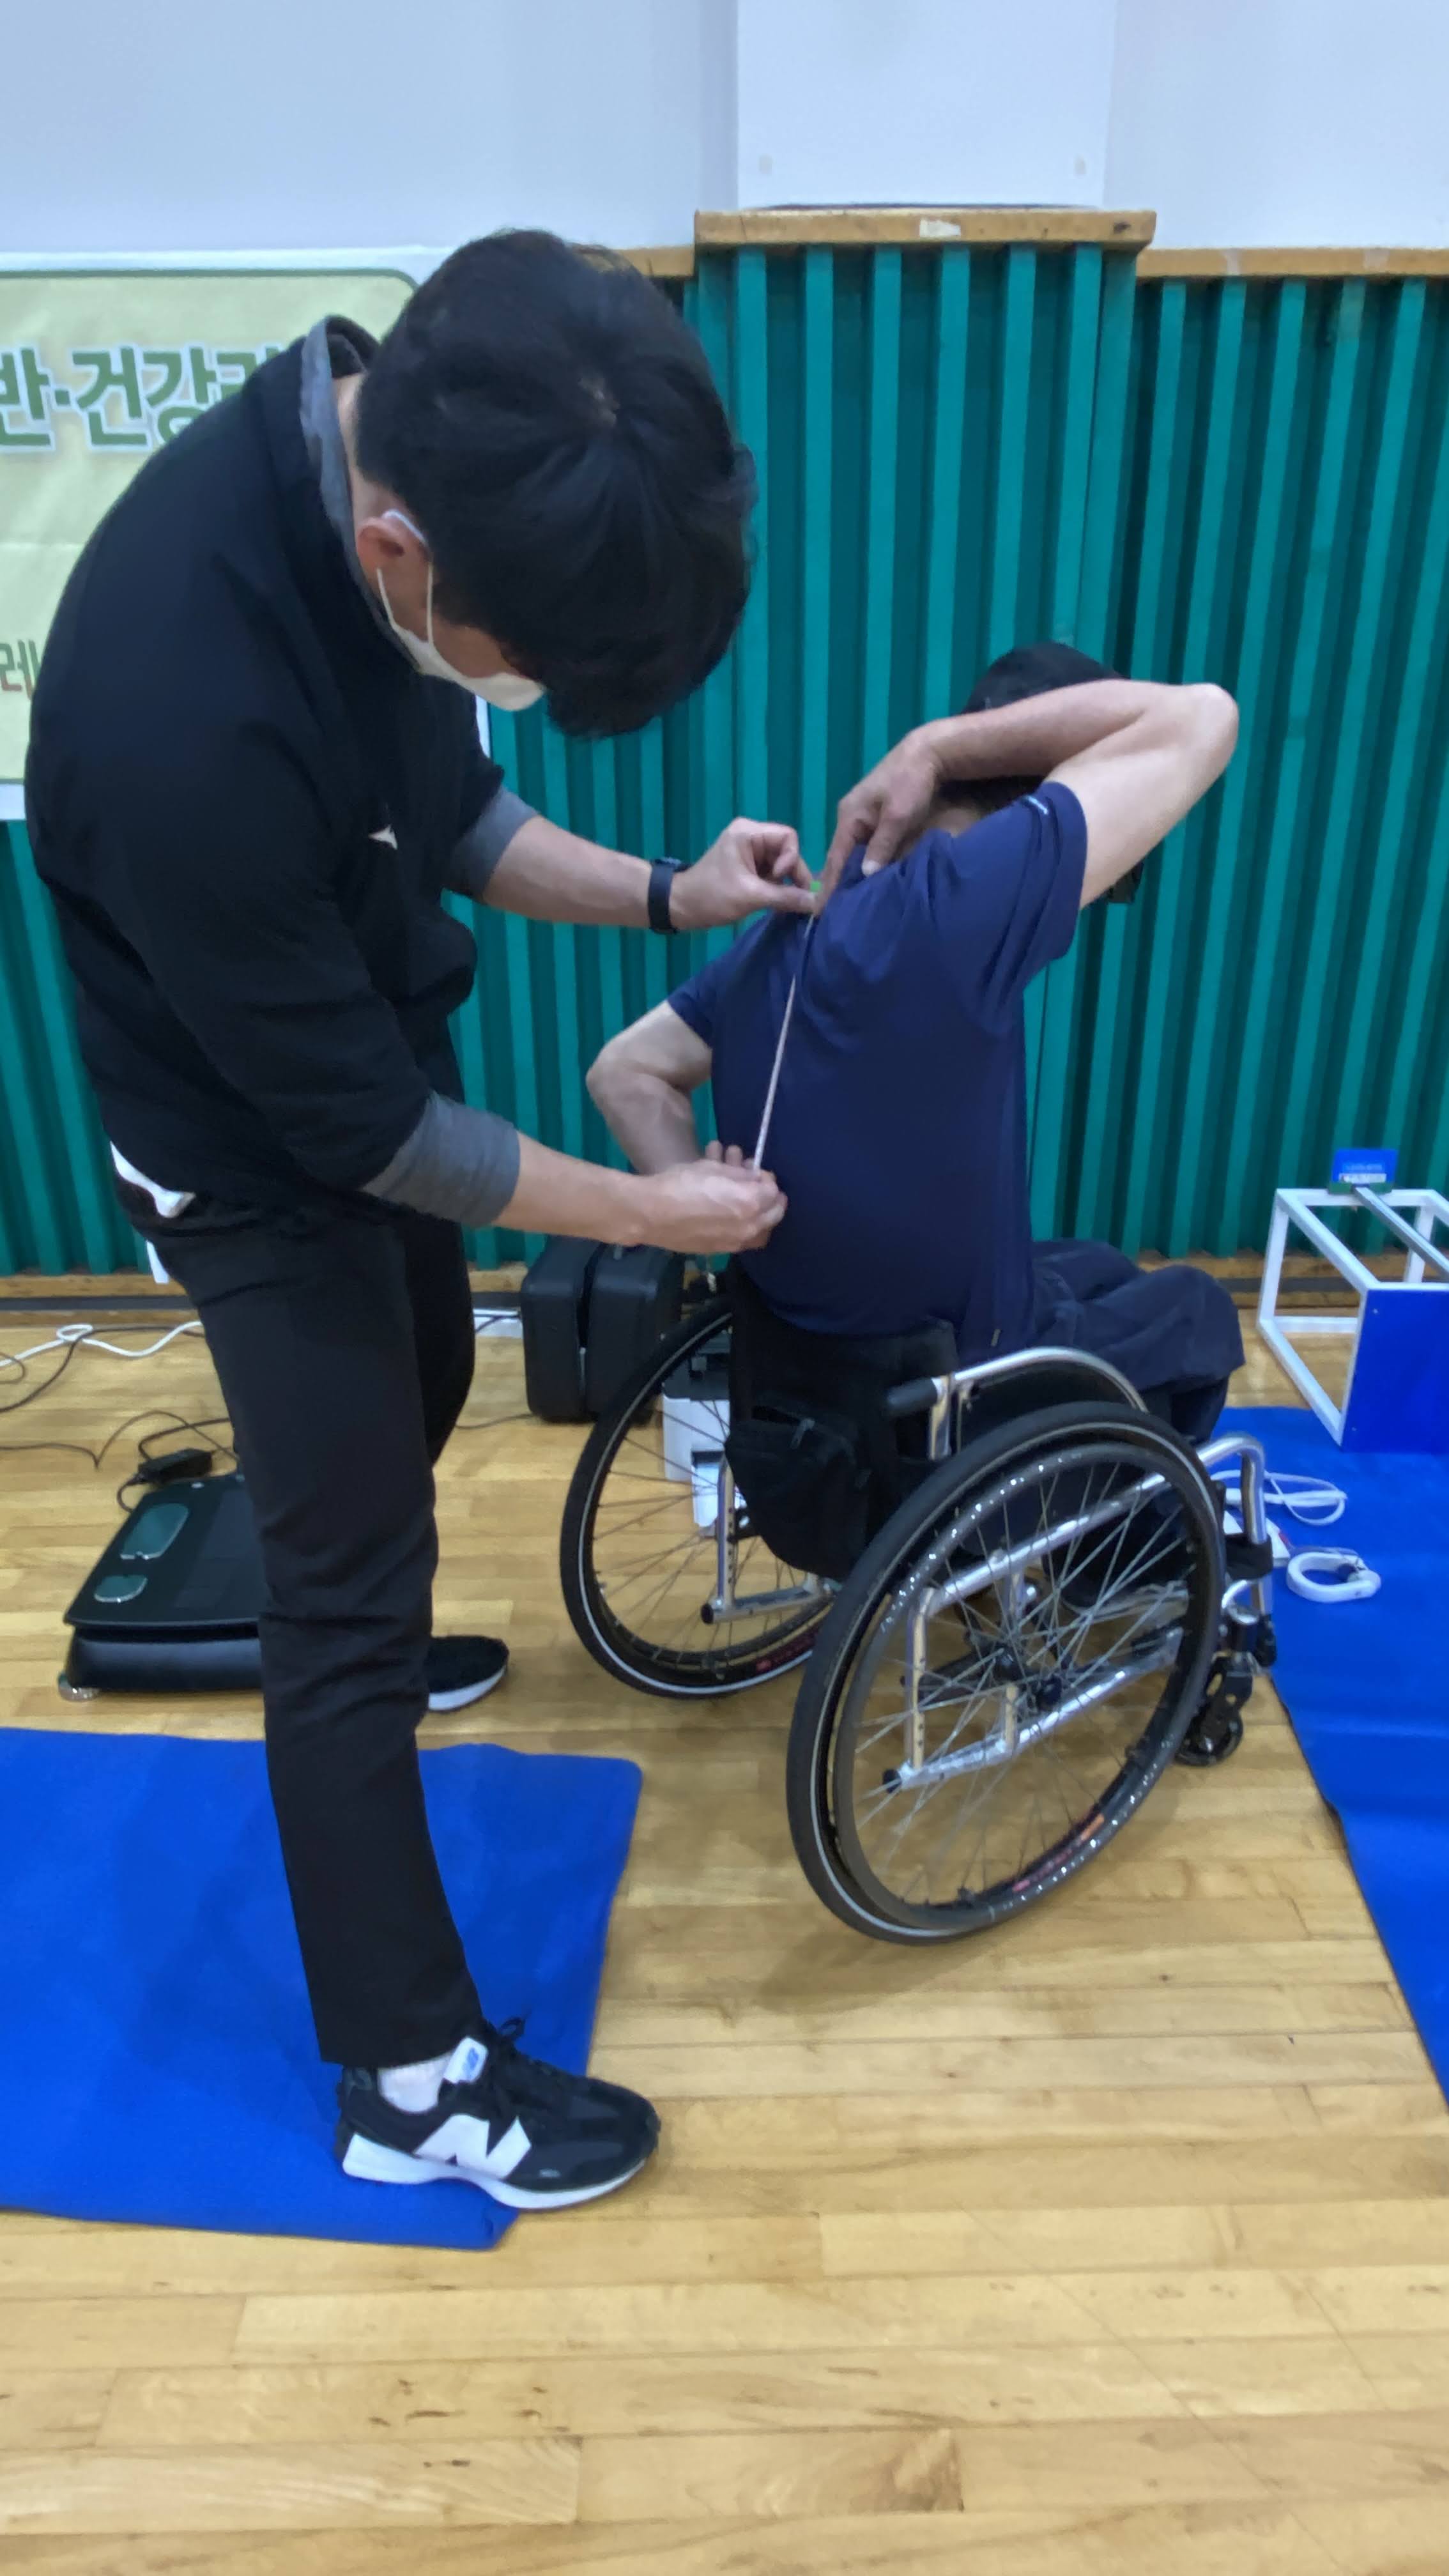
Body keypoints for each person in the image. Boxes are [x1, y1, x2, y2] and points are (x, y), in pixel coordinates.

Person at [26, 231, 811, 2212]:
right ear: (397, 553)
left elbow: (455, 814)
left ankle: (343, 1624)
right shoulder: (178, 712)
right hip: (250, 1153)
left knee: (430, 1372)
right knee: (349, 1586)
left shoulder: (416, 456)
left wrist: (673, 892)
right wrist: (652, 1209)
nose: (517, 690)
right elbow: (377, 1140)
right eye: (523, 661)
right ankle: (411, 2088)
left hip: (356, 1056)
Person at [587, 643, 1245, 1443]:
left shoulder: (792, 928)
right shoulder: (961, 902)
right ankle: (1127, 1515)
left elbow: (625, 1071)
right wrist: (933, 747)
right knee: (1197, 1312)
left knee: (1101, 1265)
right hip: (956, 1391)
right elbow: (1204, 715)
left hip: (798, 1377)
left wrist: (696, 1199)